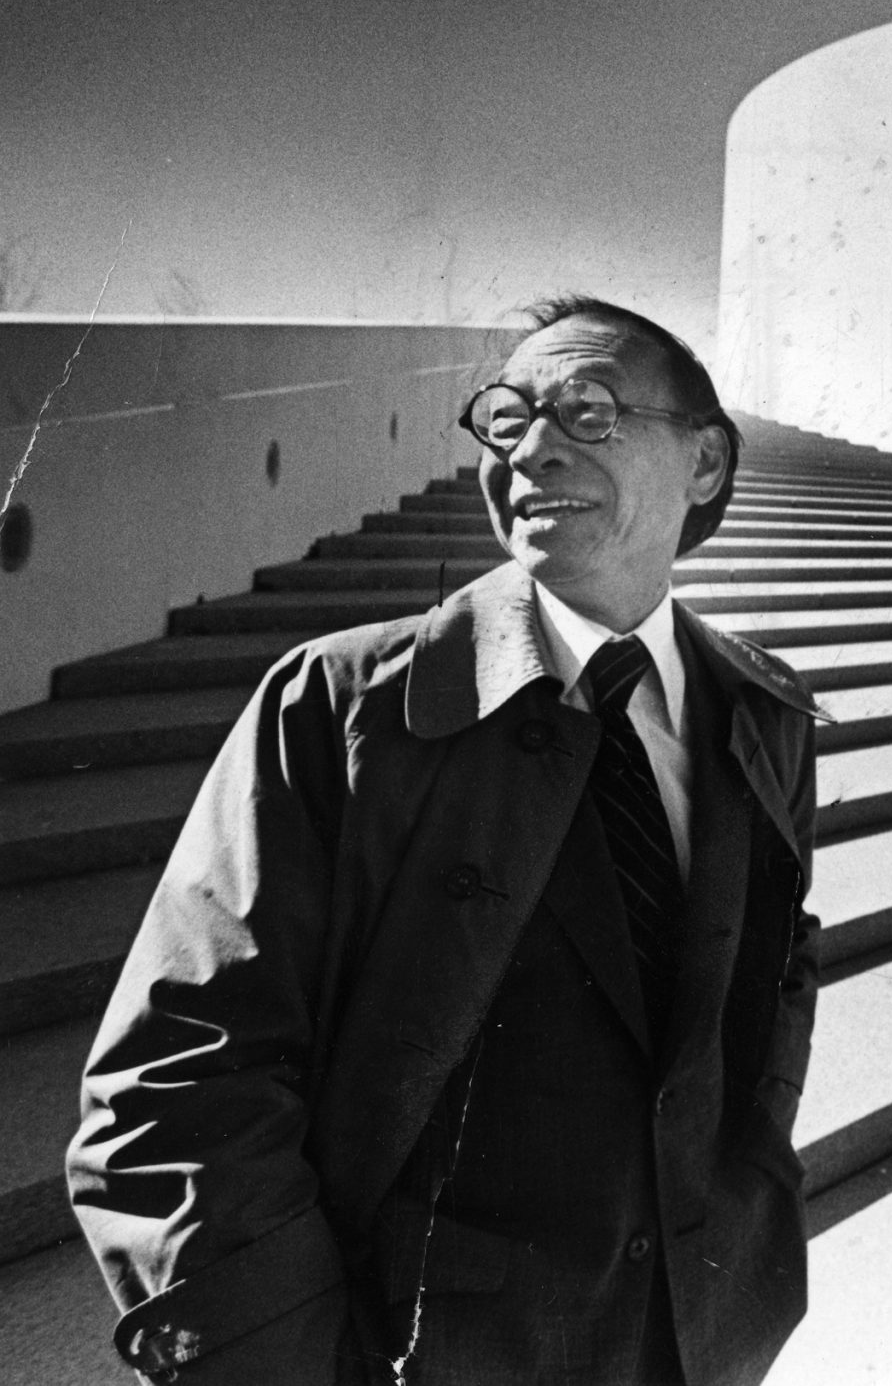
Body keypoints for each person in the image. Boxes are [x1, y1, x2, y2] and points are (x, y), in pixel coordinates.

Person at [67, 297, 824, 1385]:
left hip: (697, 1341)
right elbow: (179, 1074)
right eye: (506, 417)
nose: (530, 446)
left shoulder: (766, 716)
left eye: (587, 409)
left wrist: (754, 1226)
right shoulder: (339, 703)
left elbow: (775, 979)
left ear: (705, 461)